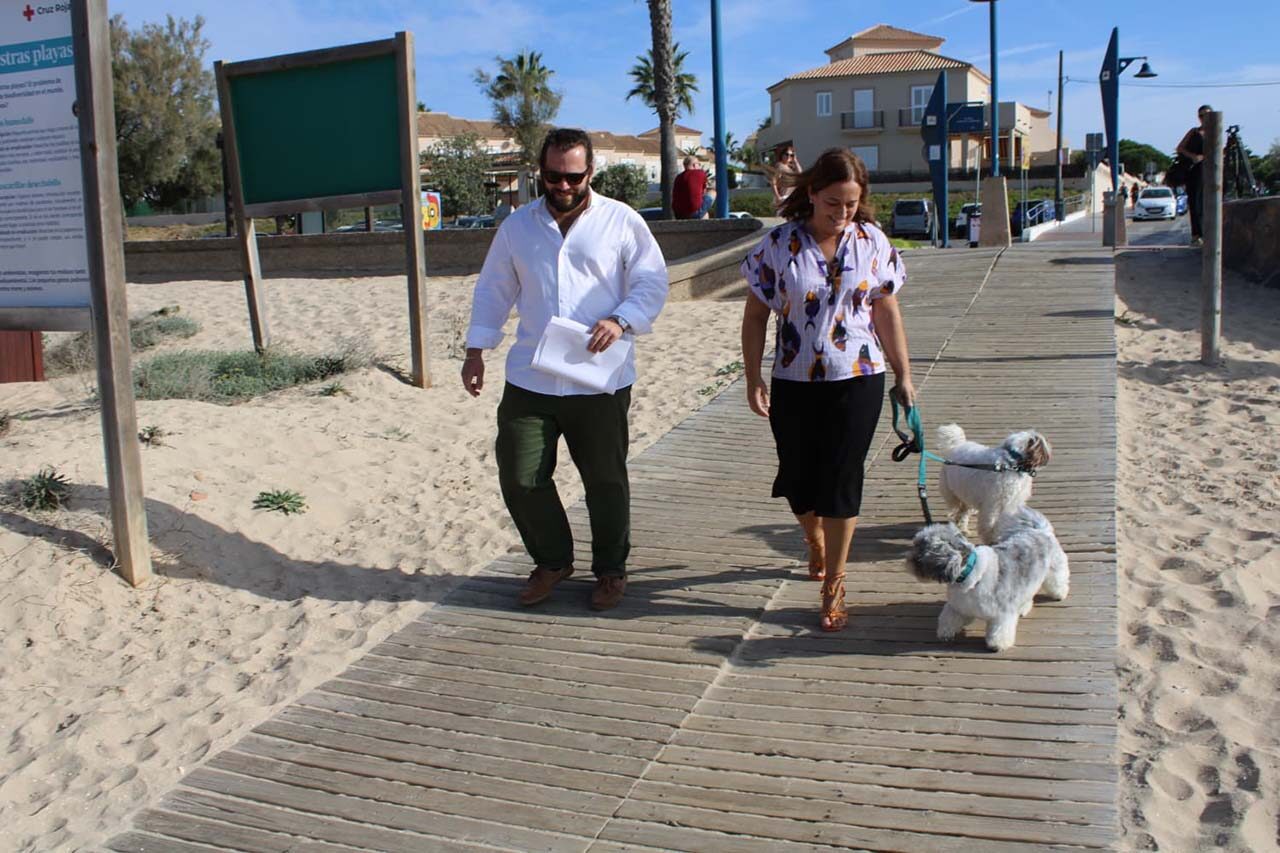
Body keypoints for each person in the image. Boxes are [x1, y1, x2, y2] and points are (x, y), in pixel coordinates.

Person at [462, 128, 670, 611]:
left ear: (589, 172)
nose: (561, 185)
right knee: (520, 473)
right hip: (531, 376)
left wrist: (621, 320)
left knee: (605, 479)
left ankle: (611, 571)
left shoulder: (622, 221)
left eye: (572, 176)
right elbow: (494, 288)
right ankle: (552, 560)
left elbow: (651, 281)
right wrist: (477, 349)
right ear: (541, 171)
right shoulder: (517, 226)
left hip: (600, 378)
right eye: (552, 175)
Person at [740, 148, 914, 632]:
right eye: (833, 203)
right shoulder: (778, 245)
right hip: (793, 378)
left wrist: (904, 374)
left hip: (858, 376)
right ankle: (814, 539)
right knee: (799, 480)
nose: (841, 214)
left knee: (842, 475)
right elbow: (755, 317)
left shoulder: (873, 243)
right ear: (812, 193)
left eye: (851, 204)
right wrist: (753, 376)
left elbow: (886, 311)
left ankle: (834, 580)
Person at [1176, 104, 1212, 246]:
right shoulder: (1194, 132)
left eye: (1207, 115)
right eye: (1201, 115)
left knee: (1208, 203)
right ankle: (1197, 234)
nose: (1204, 118)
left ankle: (1208, 232)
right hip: (1196, 171)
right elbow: (1180, 148)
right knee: (1196, 202)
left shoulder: (1215, 131)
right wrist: (1194, 156)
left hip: (1211, 170)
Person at [770, 144, 801, 211]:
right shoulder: (780, 166)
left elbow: (800, 174)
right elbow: (773, 182)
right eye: (787, 154)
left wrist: (795, 161)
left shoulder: (790, 167)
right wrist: (778, 197)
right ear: (782, 155)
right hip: (784, 197)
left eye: (791, 155)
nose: (789, 156)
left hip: (790, 197)